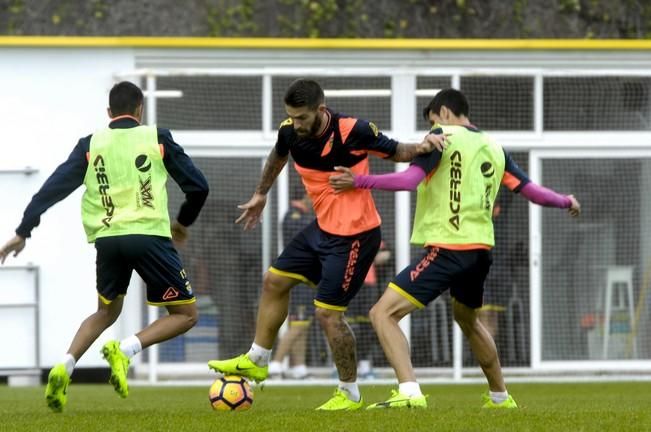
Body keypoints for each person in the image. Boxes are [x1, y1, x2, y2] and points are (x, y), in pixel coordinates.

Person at [329, 88, 580, 409]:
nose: (430, 130)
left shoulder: (441, 136)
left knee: (382, 313)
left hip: (448, 248)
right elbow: (531, 191)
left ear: (443, 113)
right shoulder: (494, 147)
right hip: (480, 253)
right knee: (467, 318)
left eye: (432, 120)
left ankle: (409, 393)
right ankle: (501, 397)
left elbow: (408, 181)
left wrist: (359, 181)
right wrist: (565, 201)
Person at [208, 78, 446, 411]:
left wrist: (422, 147)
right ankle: (258, 358)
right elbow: (278, 156)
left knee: (327, 315)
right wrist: (261, 193)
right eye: (291, 116)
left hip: (356, 236)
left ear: (320, 110)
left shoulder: (354, 130)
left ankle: (349, 393)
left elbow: (397, 151)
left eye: (302, 117)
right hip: (322, 229)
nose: (296, 123)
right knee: (274, 280)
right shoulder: (290, 132)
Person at [0, 81, 209, 413]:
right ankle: (124, 350)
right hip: (149, 237)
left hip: (108, 241)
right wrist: (182, 223)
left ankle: (65, 365)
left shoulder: (91, 144)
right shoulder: (156, 138)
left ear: (109, 113)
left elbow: (53, 188)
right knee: (185, 315)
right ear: (140, 109)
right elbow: (198, 187)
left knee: (106, 311)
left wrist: (24, 230)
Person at [268, 193, 314, 379]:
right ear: (307, 196)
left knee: (302, 324)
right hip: (298, 276)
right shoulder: (293, 216)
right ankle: (276, 365)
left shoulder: (302, 216)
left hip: (305, 277)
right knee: (299, 324)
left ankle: (299, 367)